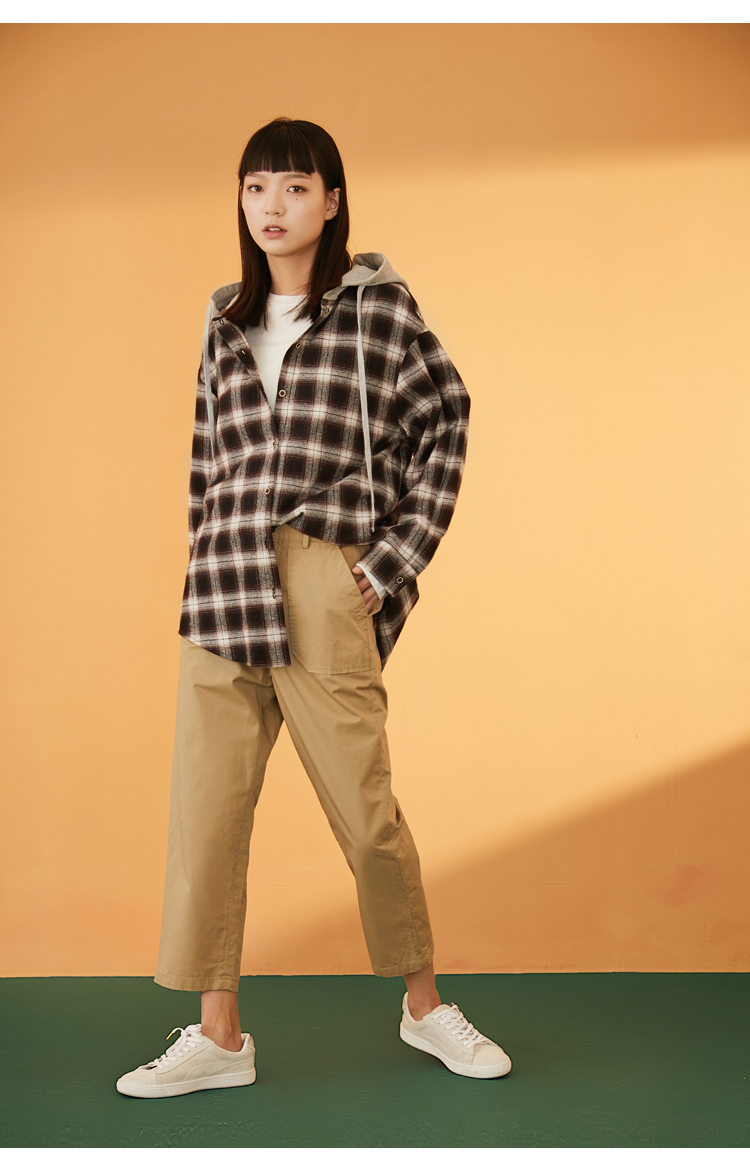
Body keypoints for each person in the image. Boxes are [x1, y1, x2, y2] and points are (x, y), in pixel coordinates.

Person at [116, 117, 511, 1099]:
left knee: (367, 816)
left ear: (332, 201)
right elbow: (206, 458)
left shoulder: (378, 311)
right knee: (206, 818)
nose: (273, 206)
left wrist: (389, 562)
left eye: (294, 186)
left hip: (321, 575)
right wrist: (202, 555)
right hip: (224, 583)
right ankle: (219, 1034)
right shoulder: (224, 319)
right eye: (256, 187)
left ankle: (425, 1007)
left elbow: (447, 421)